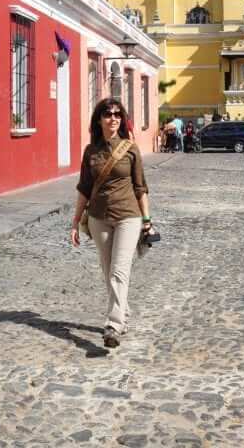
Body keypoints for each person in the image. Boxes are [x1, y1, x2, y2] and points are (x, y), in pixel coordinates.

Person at [71, 98, 152, 349]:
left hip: (128, 216)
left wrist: (147, 220)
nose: (113, 118)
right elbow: (84, 188)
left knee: (119, 271)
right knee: (108, 273)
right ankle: (123, 312)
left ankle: (113, 325)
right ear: (99, 119)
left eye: (118, 114)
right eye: (108, 114)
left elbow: (141, 187)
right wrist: (75, 222)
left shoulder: (130, 149)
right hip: (98, 218)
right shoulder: (90, 151)